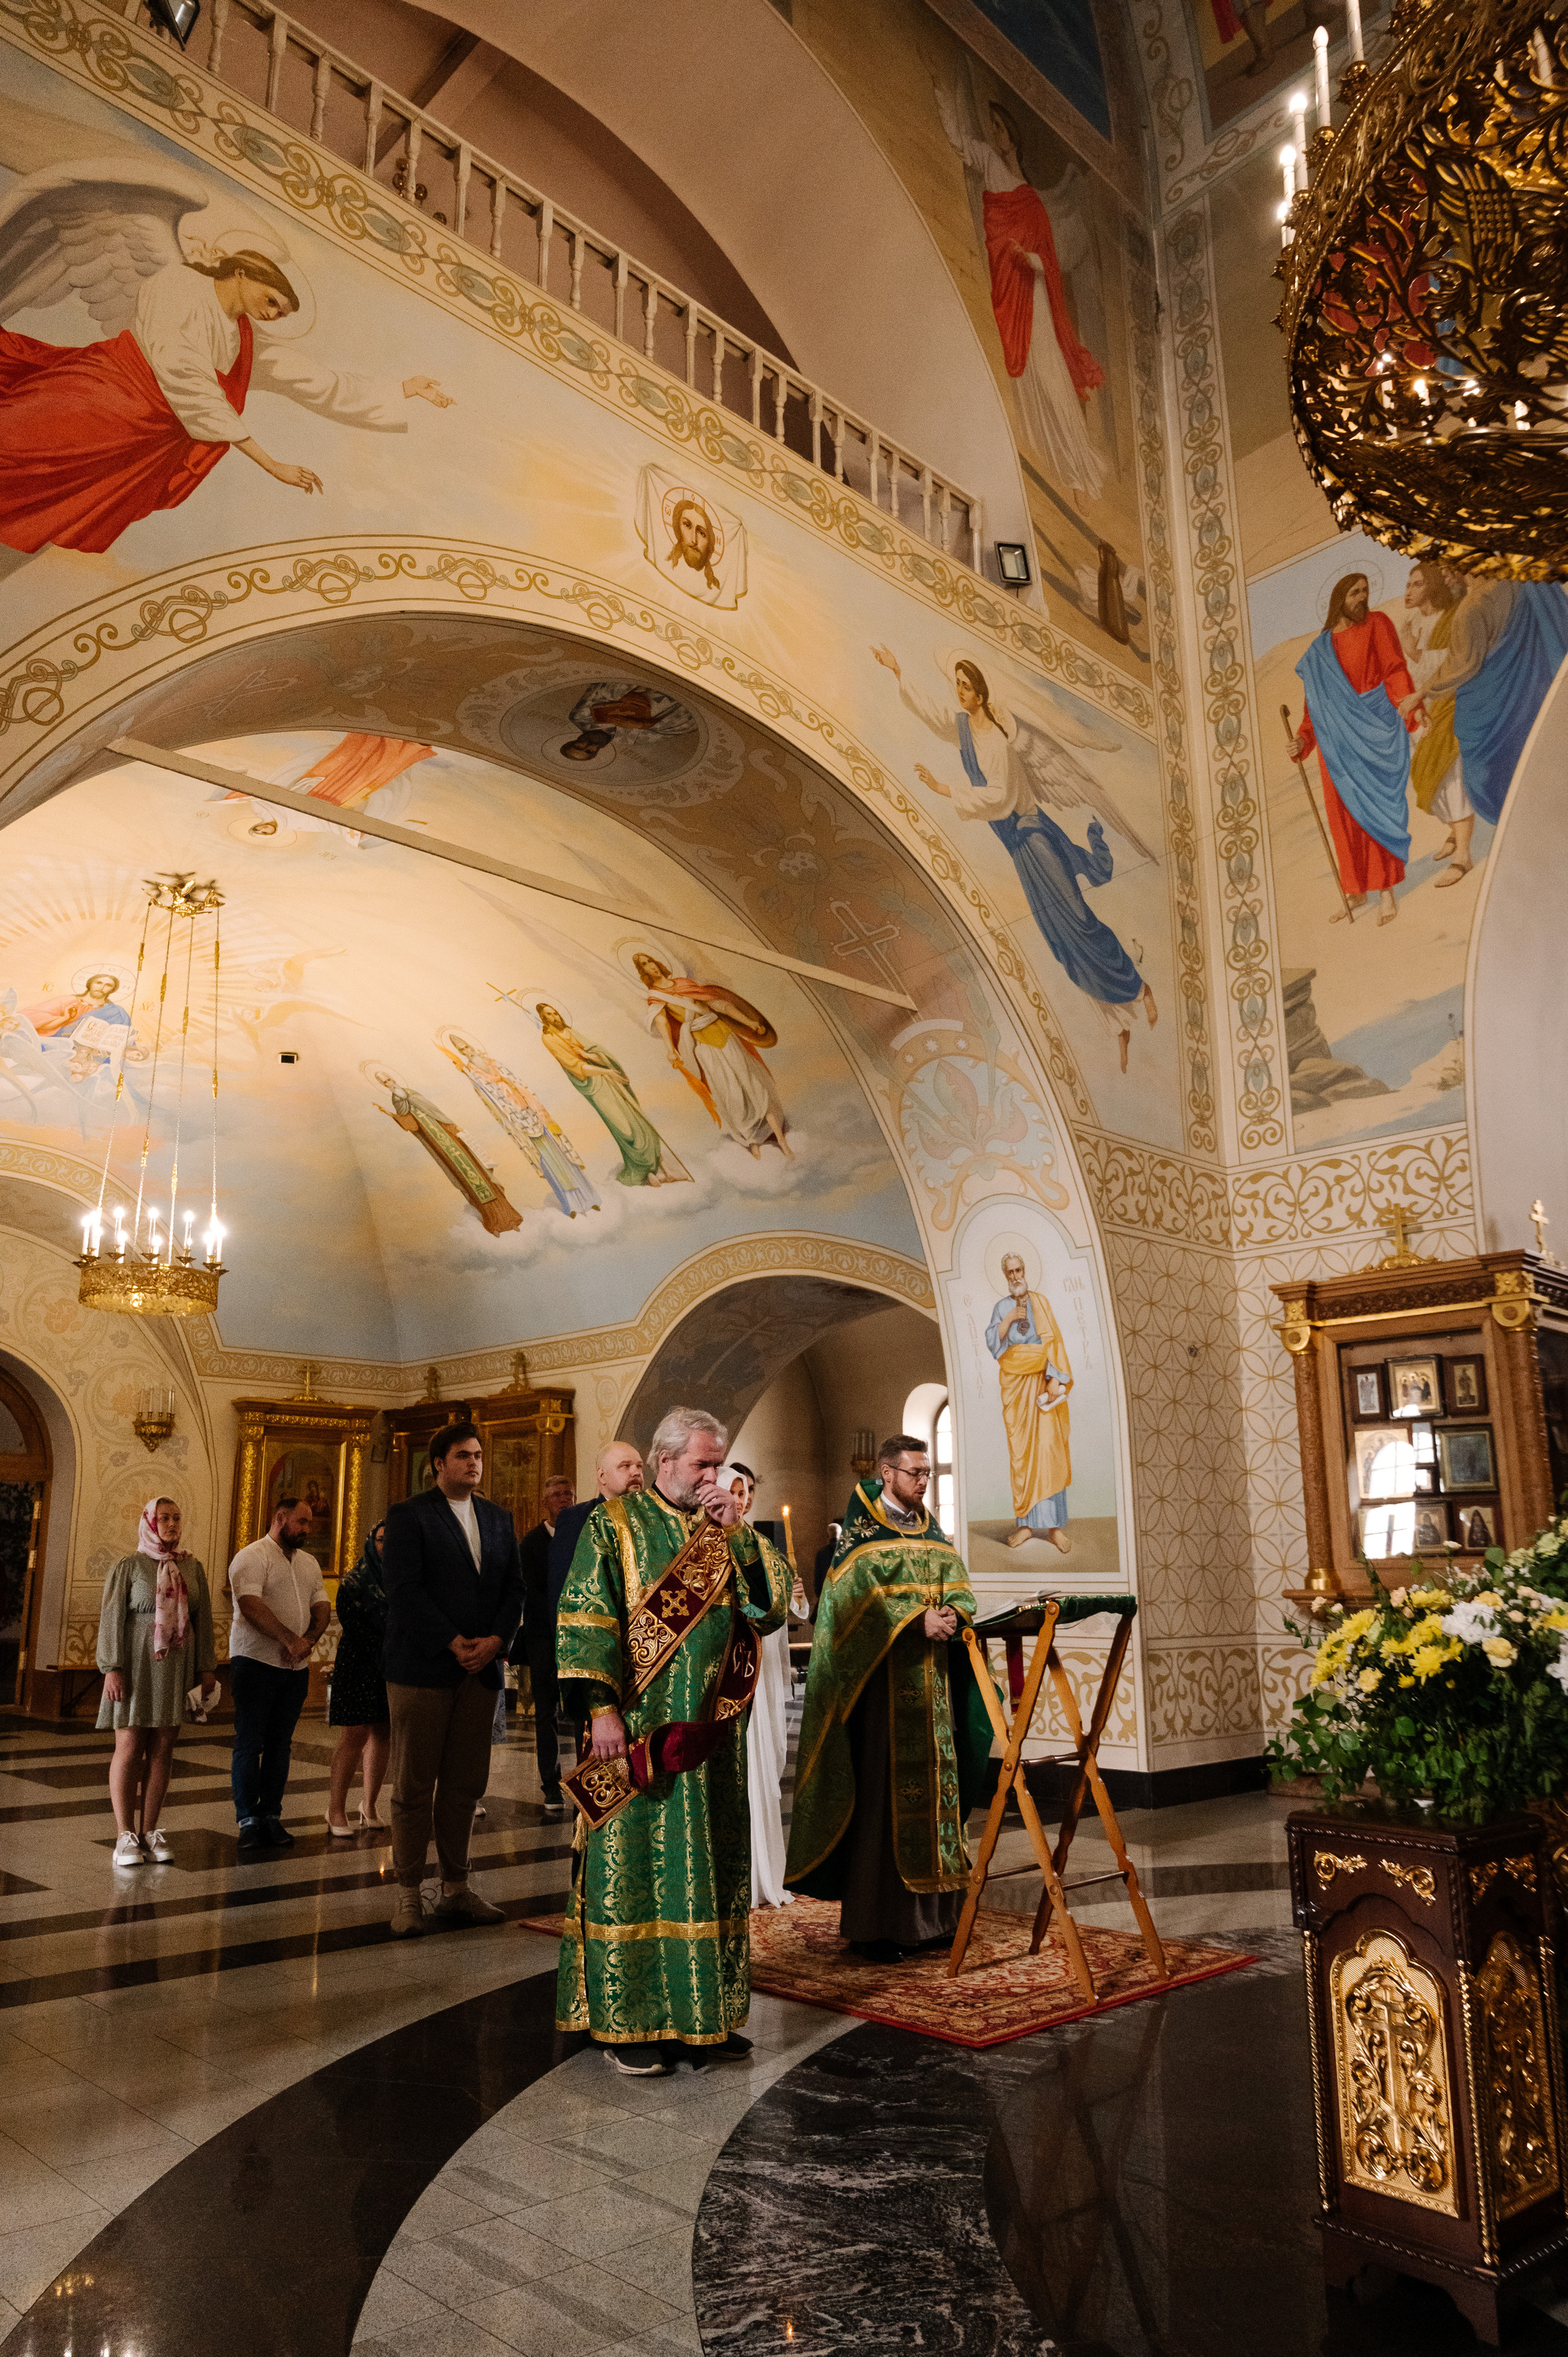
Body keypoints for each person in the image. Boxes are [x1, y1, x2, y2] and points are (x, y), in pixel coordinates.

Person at [554, 1406, 788, 2073]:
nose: (715, 1476)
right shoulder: (614, 1524)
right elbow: (584, 1618)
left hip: (710, 1739)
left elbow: (770, 1609)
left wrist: (739, 1534)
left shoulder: (729, 1531)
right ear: (665, 1462)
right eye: (703, 1465)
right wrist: (599, 1707)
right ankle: (630, 2024)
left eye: (719, 1464)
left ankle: (701, 2016)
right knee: (634, 1875)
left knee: (708, 1871)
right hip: (637, 1734)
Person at [873, 644, 1158, 1072]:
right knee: (1058, 939)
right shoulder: (965, 729)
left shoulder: (1001, 744)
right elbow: (934, 717)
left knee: (1078, 921)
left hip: (1035, 838)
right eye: (958, 685)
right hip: (1019, 851)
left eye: (966, 687)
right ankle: (1116, 1024)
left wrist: (946, 789)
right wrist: (899, 673)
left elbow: (1002, 797)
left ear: (981, 694)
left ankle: (1138, 989)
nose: (959, 693)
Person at [785, 1437, 995, 1962]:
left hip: (934, 1693)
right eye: (914, 1471)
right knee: (886, 1801)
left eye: (927, 1471)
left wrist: (953, 1613)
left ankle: (938, 1918)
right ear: (885, 1472)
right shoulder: (860, 1535)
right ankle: (878, 1925)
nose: (923, 1480)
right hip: (882, 1695)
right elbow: (847, 1604)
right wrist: (910, 1618)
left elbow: (959, 1585)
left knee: (938, 1801)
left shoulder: (932, 1529)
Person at [382, 1420, 523, 1938]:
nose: (474, 1463)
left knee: (465, 1783)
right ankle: (408, 1893)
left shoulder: (498, 1518)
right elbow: (404, 1588)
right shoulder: (409, 1515)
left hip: (481, 1668)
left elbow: (515, 1588)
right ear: (438, 1463)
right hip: (422, 1667)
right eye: (463, 1455)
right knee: (413, 1785)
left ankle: (456, 1889)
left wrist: (495, 1641)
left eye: (479, 1455)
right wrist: (452, 1640)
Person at [933, 88, 1106, 501]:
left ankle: (1079, 469)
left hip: (1037, 299)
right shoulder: (989, 163)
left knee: (1051, 377)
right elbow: (961, 143)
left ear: (1013, 135)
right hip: (1010, 292)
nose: (994, 134)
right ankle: (1055, 458)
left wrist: (1035, 263)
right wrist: (942, 95)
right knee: (1030, 374)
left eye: (999, 127)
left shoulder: (1031, 198)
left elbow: (1050, 259)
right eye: (989, 126)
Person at [1293, 573, 1424, 926]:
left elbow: (1395, 670)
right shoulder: (1320, 651)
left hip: (1374, 730)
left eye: (1365, 592)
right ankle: (1355, 890)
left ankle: (1385, 893)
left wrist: (1409, 709)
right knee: (1343, 818)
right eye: (1355, 593)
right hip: (1336, 744)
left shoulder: (1378, 624)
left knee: (1375, 812)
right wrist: (1304, 740)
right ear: (1340, 599)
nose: (1362, 598)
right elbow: (1314, 708)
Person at [97, 1497, 217, 1866]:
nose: (171, 1524)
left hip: (176, 1669)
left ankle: (150, 1831)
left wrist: (206, 1669)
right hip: (135, 1667)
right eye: (163, 1518)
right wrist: (111, 1667)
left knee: (164, 1747)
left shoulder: (192, 1567)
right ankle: (124, 1836)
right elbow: (112, 1618)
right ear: (149, 1522)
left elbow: (203, 1620)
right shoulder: (129, 1566)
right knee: (131, 1745)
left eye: (177, 1518)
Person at [227, 1497, 330, 1853]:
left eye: (310, 1523)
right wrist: (288, 1638)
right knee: (250, 1742)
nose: (307, 1529)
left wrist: (309, 1642)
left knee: (280, 1745)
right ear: (279, 1518)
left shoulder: (309, 1562)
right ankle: (248, 1821)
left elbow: (322, 1606)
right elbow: (250, 1605)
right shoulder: (252, 1557)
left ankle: (271, 1814)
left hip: (295, 1668)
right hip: (254, 1663)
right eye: (301, 1522)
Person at [633, 952, 791, 1157]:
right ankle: (751, 1140)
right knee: (730, 1092)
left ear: (657, 962)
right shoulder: (656, 998)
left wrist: (749, 1022)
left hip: (725, 1036)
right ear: (642, 971)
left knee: (753, 1083)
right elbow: (663, 1023)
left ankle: (781, 1139)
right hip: (704, 1045)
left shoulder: (684, 983)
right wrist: (670, 1051)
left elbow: (719, 1005)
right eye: (645, 965)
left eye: (651, 961)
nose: (650, 966)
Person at [723, 1462, 795, 1911]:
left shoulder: (762, 1545)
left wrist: (793, 1593)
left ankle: (764, 1872)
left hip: (761, 1664)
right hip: (729, 1664)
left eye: (747, 1489)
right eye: (733, 1488)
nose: (742, 1497)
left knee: (763, 1765)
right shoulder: (708, 1540)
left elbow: (779, 1607)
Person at [987, 1251, 1074, 1553]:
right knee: (1021, 1454)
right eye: (1009, 1272)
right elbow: (993, 1343)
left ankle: (1053, 1529)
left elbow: (1054, 1342)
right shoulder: (1001, 1307)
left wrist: (1054, 1378)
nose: (1015, 1276)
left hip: (1042, 1381)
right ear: (1004, 1276)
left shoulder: (1042, 1302)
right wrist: (1010, 1317)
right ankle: (1024, 1526)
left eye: (1018, 1270)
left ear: (1025, 1270)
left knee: (1050, 1450)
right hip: (1016, 1386)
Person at [516, 1472, 576, 1820]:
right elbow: (531, 1594)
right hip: (544, 1639)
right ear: (545, 1502)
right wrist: (562, 1619)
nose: (563, 1499)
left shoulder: (584, 1535)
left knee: (586, 1709)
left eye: (568, 1493)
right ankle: (551, 1784)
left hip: (581, 1638)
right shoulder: (532, 1543)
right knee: (547, 1713)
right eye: (556, 1494)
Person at [325, 1520, 390, 1836]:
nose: (386, 1545)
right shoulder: (354, 1579)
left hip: (391, 1664)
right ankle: (336, 1809)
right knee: (355, 1735)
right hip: (360, 1662)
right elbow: (356, 1626)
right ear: (371, 1541)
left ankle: (370, 1804)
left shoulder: (406, 1577)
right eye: (381, 1539)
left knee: (384, 1732)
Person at [548, 1441, 646, 1613]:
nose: (636, 1472)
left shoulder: (650, 1516)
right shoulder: (577, 1519)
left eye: (639, 1466)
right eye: (625, 1466)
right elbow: (563, 1587)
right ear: (602, 1476)